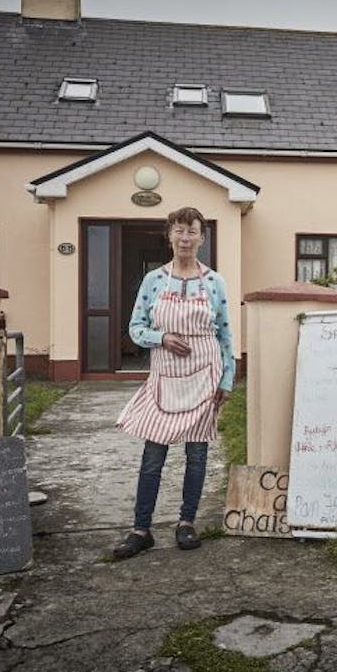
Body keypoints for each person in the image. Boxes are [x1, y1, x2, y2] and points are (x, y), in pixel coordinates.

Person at [111, 206, 234, 559]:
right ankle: (141, 528)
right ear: (169, 236)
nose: (185, 237)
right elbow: (135, 330)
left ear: (202, 237)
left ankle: (186, 523)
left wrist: (226, 378)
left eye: (191, 231)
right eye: (178, 230)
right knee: (153, 456)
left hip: (204, 377)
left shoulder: (214, 281)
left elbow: (225, 334)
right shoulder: (153, 282)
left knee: (197, 456)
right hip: (165, 380)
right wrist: (161, 338)